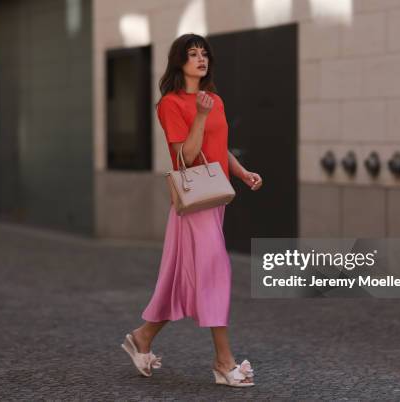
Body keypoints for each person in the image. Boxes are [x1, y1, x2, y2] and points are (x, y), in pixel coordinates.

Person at [120, 33, 263, 387]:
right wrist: (199, 115)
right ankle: (223, 361)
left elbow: (218, 147)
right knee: (215, 271)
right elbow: (185, 156)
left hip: (213, 199)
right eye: (192, 54)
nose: (201, 59)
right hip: (191, 201)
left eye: (204, 54)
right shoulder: (170, 104)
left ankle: (143, 336)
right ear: (179, 62)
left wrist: (242, 172)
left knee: (179, 281)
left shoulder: (215, 99)